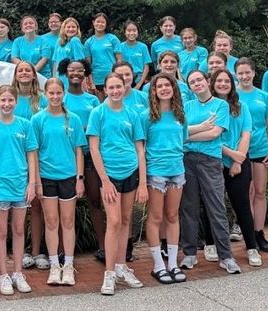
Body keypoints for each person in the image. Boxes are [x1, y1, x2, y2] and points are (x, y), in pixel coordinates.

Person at [86, 73, 147, 295]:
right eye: (111, 87)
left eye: (118, 87)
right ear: (106, 89)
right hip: (109, 175)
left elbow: (140, 149)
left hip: (130, 172)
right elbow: (94, 148)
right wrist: (105, 180)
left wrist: (142, 183)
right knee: (113, 221)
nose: (115, 91)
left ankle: (121, 267)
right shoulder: (98, 113)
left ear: (124, 87)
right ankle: (109, 274)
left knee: (125, 220)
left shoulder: (133, 113)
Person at [179, 70, 241, 274]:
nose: (196, 84)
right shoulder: (186, 106)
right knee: (189, 208)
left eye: (199, 80)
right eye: (192, 82)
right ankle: (189, 254)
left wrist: (189, 134)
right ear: (189, 87)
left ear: (207, 81)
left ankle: (226, 256)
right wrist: (196, 130)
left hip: (210, 161)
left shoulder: (221, 105)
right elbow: (179, 132)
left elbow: (214, 134)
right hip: (187, 161)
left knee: (216, 207)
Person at [0, 85, 39, 295]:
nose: (6, 104)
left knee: (18, 229)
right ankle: (3, 275)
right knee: (1, 231)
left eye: (10, 100)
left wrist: (32, 183)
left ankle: (17, 272)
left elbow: (31, 155)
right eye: (2, 100)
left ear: (16, 102)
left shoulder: (25, 125)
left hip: (20, 185)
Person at [31, 78, 87, 286]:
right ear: (45, 94)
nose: (55, 97)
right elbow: (34, 152)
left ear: (63, 94)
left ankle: (69, 265)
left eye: (58, 93)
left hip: (68, 177)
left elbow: (79, 150)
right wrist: (36, 181)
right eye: (51, 93)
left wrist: (80, 179)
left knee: (68, 221)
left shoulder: (72, 119)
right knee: (51, 221)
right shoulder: (37, 120)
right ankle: (54, 265)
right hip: (46, 178)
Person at [210, 69, 262, 267]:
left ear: (232, 85)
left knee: (242, 206)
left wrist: (238, 162)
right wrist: (232, 156)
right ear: (212, 84)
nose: (223, 84)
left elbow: (246, 135)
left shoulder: (241, 107)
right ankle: (211, 244)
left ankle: (251, 248)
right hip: (215, 161)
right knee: (213, 206)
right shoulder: (210, 107)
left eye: (227, 81)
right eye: (219, 81)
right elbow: (213, 137)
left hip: (239, 162)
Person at [142, 73, 187, 284]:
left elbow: (183, 138)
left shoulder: (180, 115)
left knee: (172, 215)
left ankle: (173, 263)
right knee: (156, 216)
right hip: (155, 172)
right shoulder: (147, 116)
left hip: (177, 170)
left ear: (173, 88)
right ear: (154, 90)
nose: (164, 89)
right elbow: (140, 148)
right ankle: (158, 264)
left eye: (167, 85)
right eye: (159, 86)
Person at [60, 59, 104, 262]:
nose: (76, 73)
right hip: (67, 156)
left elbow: (98, 127)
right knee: (66, 204)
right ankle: (63, 249)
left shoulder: (93, 100)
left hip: (90, 155)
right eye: (71, 70)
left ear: (86, 73)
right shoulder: (61, 99)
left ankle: (103, 246)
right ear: (65, 73)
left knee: (95, 200)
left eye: (80, 70)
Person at [234, 58, 268, 252]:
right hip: (241, 151)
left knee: (260, 191)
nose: (244, 76)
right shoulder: (232, 95)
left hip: (260, 148)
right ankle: (249, 234)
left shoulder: (263, 96)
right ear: (236, 74)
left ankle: (259, 233)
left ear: (253, 73)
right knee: (246, 193)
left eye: (247, 72)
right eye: (240, 73)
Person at [10, 61, 47, 268]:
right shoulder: (10, 98)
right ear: (15, 75)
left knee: (36, 207)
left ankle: (37, 251)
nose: (24, 73)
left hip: (38, 158)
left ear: (34, 75)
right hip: (15, 160)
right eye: (20, 70)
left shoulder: (41, 99)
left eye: (28, 70)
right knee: (18, 205)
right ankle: (21, 250)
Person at [84, 13, 122, 100]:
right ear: (93, 23)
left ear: (106, 24)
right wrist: (91, 81)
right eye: (98, 22)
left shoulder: (113, 39)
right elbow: (88, 64)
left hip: (112, 75)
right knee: (101, 105)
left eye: (102, 22)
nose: (100, 24)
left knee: (114, 102)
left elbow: (119, 60)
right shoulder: (88, 42)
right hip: (97, 78)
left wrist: (118, 75)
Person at [120, 20, 152, 89]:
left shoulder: (143, 47)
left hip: (139, 79)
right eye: (129, 30)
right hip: (124, 78)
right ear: (124, 32)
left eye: (134, 30)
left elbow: (146, 67)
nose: (131, 33)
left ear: (137, 32)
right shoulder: (120, 47)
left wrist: (139, 84)